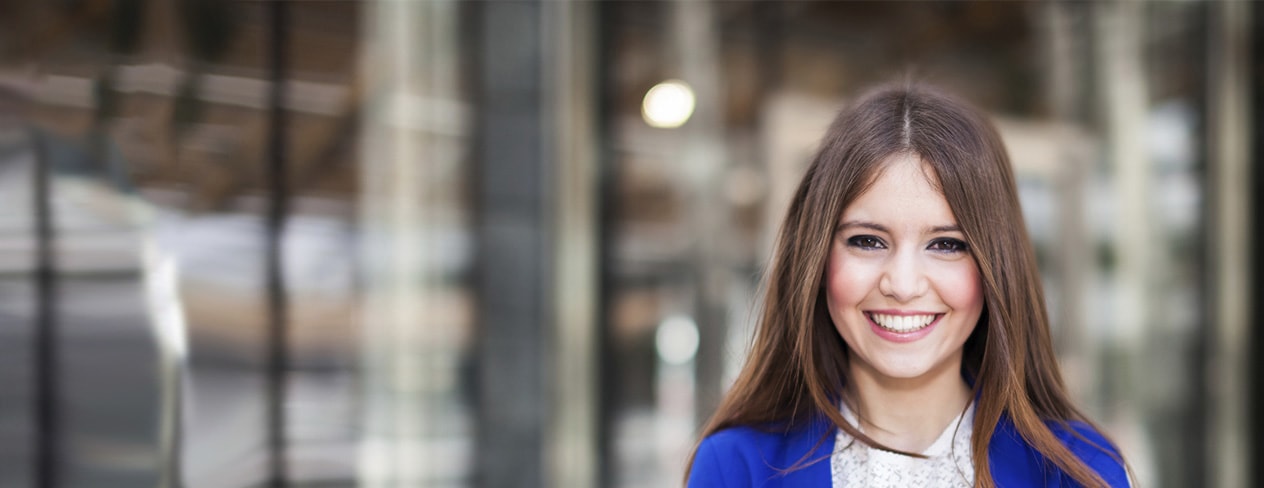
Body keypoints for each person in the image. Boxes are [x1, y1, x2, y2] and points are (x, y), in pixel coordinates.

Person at [685, 83, 1129, 487]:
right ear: (817, 258)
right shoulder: (734, 467)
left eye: (946, 245)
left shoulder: (1080, 471)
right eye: (867, 241)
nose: (902, 284)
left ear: (997, 264)